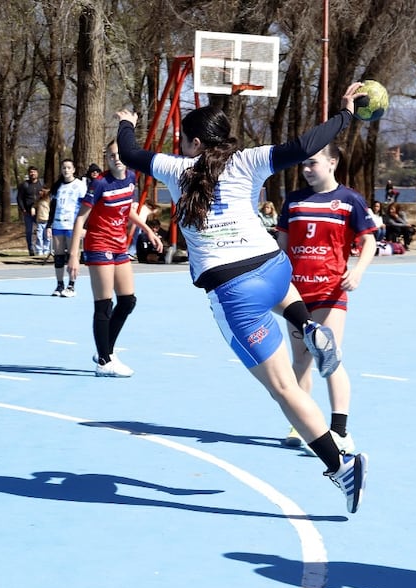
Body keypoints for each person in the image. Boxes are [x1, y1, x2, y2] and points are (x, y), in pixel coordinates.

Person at [115, 82, 369, 514]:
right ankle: (307, 325)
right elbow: (306, 144)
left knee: (285, 389)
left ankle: (340, 466)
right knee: (280, 295)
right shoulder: (249, 160)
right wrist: (345, 115)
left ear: (195, 142)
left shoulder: (176, 169)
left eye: (184, 141)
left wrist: (126, 123)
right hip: (274, 268)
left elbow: (129, 153)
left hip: (234, 289)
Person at [276, 142, 377, 454]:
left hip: (330, 292)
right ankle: (302, 421)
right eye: (303, 164)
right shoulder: (293, 201)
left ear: (332, 162)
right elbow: (281, 247)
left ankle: (340, 430)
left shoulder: (349, 201)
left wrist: (357, 271)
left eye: (313, 163)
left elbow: (369, 241)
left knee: (328, 357)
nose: (306, 169)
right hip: (296, 293)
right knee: (301, 360)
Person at [66, 140, 162, 377]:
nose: (115, 158)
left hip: (119, 245)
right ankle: (103, 360)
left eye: (118, 154)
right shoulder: (100, 184)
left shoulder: (130, 178)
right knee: (104, 304)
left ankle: (106, 349)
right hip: (99, 244)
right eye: (110, 156)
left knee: (128, 301)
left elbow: (127, 207)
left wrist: (148, 229)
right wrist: (74, 255)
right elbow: (80, 219)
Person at [47, 159, 87, 297]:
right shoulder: (58, 186)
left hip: (72, 225)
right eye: (64, 168)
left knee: (72, 255)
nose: (66, 170)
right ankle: (59, 285)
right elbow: (52, 208)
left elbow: (86, 208)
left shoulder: (80, 185)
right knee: (58, 256)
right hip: (58, 225)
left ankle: (71, 285)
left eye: (69, 167)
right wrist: (49, 225)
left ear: (74, 169)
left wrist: (84, 226)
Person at [16, 165, 43, 256]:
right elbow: (19, 198)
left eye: (34, 172)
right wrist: (23, 209)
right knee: (29, 231)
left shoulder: (41, 184)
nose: (33, 174)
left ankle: (41, 249)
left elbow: (46, 197)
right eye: (31, 172)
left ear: (37, 173)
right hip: (27, 212)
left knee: (40, 230)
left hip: (40, 212)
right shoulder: (25, 185)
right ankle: (31, 248)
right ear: (29, 174)